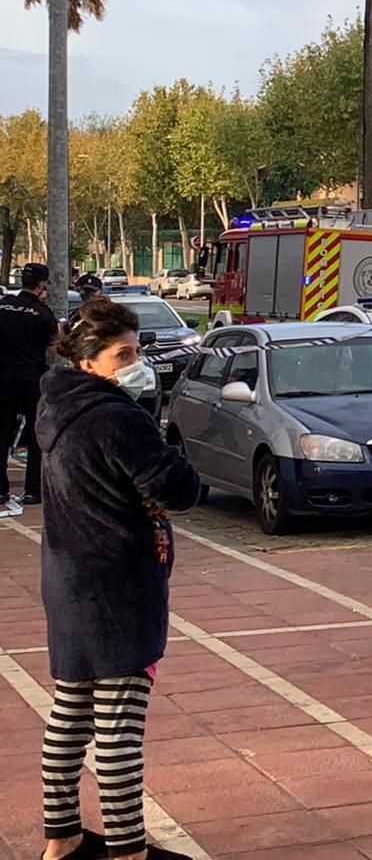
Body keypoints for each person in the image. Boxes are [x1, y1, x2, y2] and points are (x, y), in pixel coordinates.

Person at [36, 296, 202, 860]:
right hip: (118, 584)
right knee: (119, 725)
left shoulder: (57, 407)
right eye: (122, 355)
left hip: (68, 577)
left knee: (71, 713)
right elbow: (179, 488)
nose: (136, 363)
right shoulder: (116, 417)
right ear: (88, 362)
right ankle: (129, 849)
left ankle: (61, 838)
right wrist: (152, 428)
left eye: (136, 351)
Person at [0, 263, 59, 512]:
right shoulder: (43, 314)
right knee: (37, 436)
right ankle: (33, 491)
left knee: (1, 434)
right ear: (42, 286)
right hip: (32, 381)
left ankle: (0, 490)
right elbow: (55, 346)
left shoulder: (3, 306)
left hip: (2, 379)